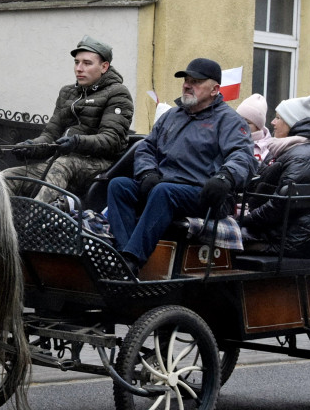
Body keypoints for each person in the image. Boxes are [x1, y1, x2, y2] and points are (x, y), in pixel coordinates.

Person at [106, 58, 256, 276]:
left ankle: (132, 260)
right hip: (166, 187)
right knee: (119, 185)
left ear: (215, 89)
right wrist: (147, 172)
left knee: (163, 191)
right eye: (186, 80)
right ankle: (123, 255)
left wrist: (225, 177)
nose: (187, 85)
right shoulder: (171, 116)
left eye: (195, 81)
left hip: (206, 193)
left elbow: (242, 155)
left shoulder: (229, 121)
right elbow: (146, 147)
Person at [4, 36, 134, 204]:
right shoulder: (67, 93)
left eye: (87, 63)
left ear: (104, 67)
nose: (79, 68)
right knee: (6, 177)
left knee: (63, 165)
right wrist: (31, 147)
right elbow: (50, 135)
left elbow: (112, 140)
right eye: (76, 62)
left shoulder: (118, 93)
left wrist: (76, 142)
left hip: (100, 167)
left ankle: (34, 220)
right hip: (61, 163)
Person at [238, 93, 310, 257]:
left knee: (213, 236)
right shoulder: (291, 151)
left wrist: (244, 219)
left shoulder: (303, 156)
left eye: (278, 118)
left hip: (292, 240)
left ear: (292, 122)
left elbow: (279, 205)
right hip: (284, 232)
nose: (273, 122)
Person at [237, 93, 272, 163]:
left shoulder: (269, 148)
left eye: (248, 122)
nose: (242, 124)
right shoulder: (227, 140)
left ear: (258, 127)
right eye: (239, 120)